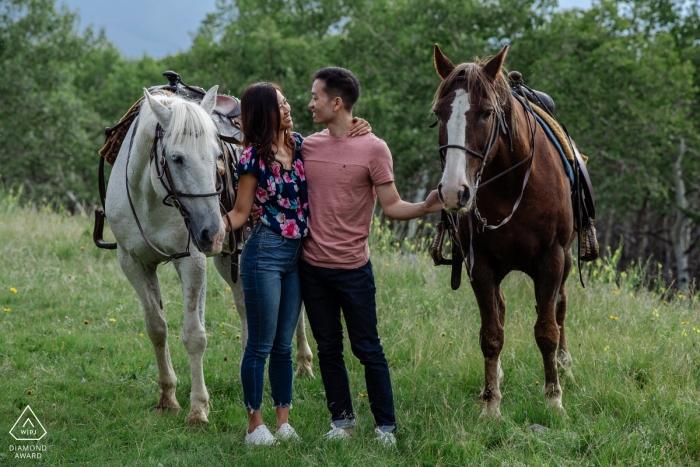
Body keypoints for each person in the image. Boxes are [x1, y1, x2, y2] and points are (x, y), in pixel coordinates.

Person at [300, 67, 443, 446]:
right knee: (328, 348)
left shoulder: (374, 148)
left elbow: (392, 206)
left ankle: (385, 428)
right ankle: (341, 422)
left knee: (368, 349)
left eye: (315, 97)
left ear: (336, 102)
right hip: (312, 269)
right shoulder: (306, 146)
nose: (309, 103)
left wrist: (426, 207)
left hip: (353, 270)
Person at [223, 82, 370, 445]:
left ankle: (283, 422)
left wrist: (358, 125)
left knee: (285, 345)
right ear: (264, 114)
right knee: (260, 343)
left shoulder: (300, 145)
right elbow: (240, 213)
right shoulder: (253, 158)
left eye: (287, 101)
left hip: (297, 256)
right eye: (281, 104)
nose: (289, 108)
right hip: (265, 254)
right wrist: (213, 227)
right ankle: (255, 425)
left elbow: (337, 137)